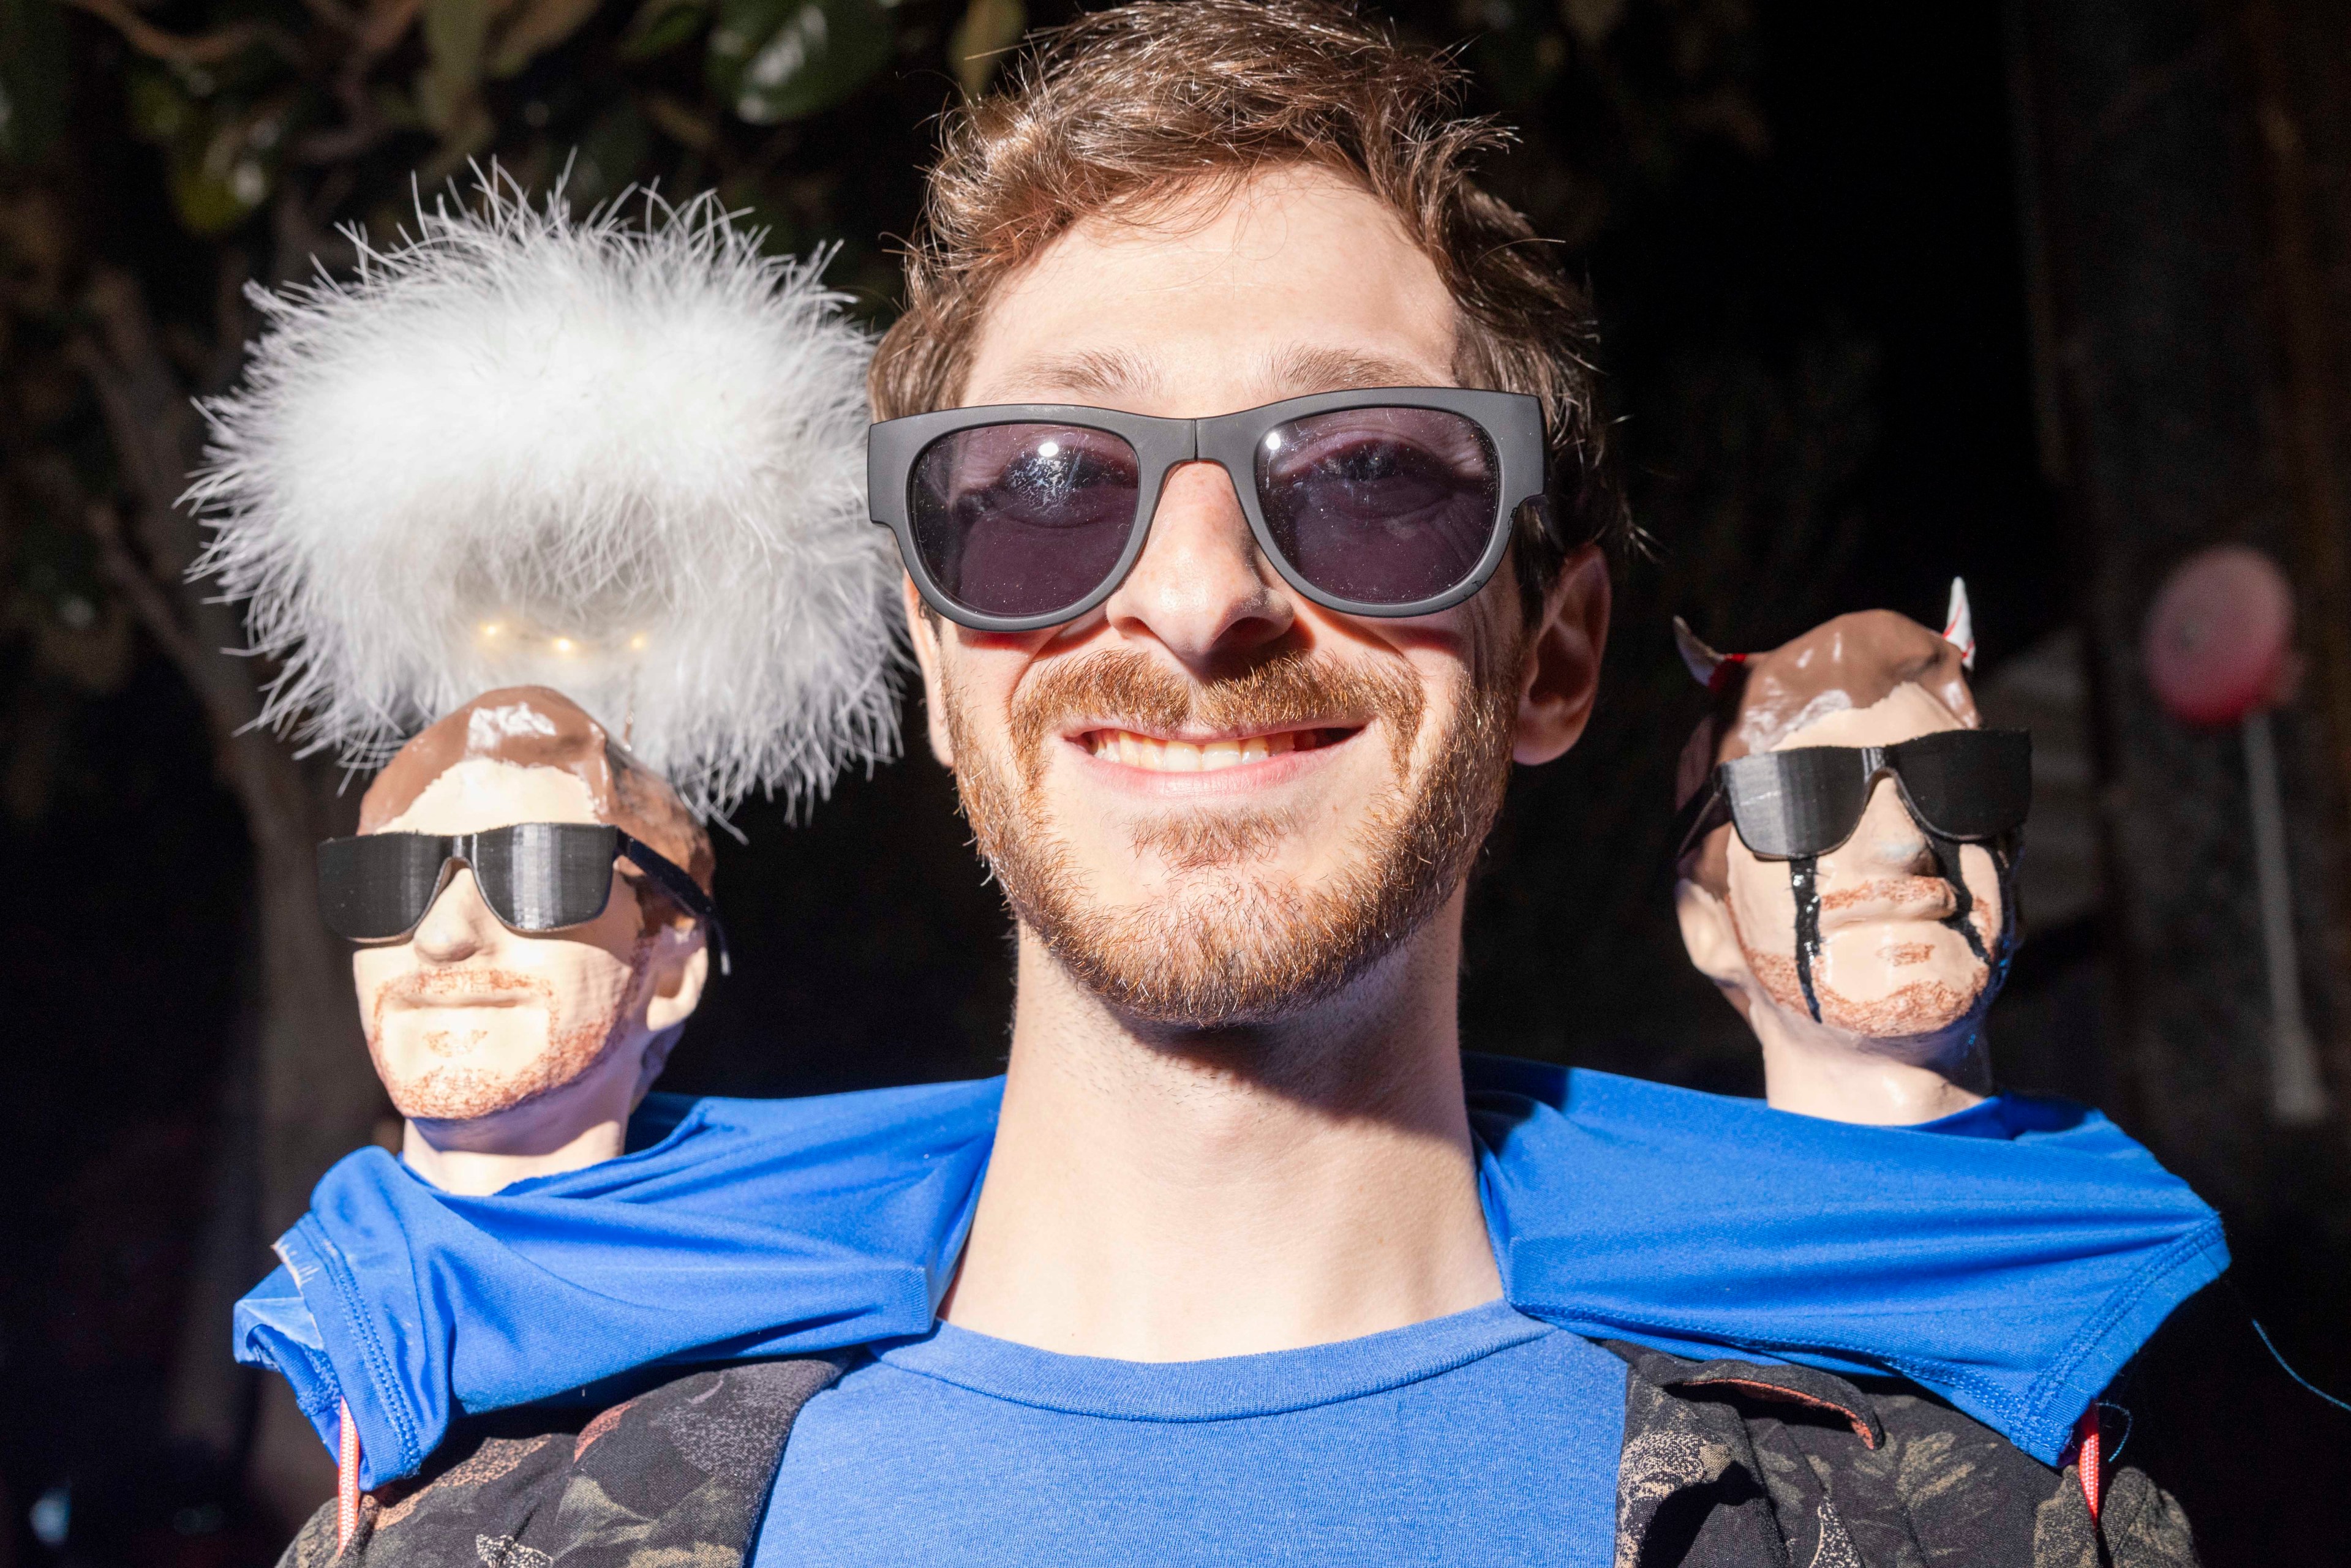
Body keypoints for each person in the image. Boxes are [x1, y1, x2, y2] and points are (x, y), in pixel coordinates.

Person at [241, 6, 2218, 1566]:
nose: (1192, 598)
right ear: (931, 666)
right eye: (1037, 491)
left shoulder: (1960, 1530)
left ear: (1547, 657)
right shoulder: (476, 1542)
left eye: (1367, 477)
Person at [1672, 587, 2034, 1125]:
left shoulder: (2140, 1205)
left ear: (2011, 881)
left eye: (1954, 785)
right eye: (1804, 798)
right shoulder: (1565, 1201)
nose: (1903, 847)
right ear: (1706, 925)